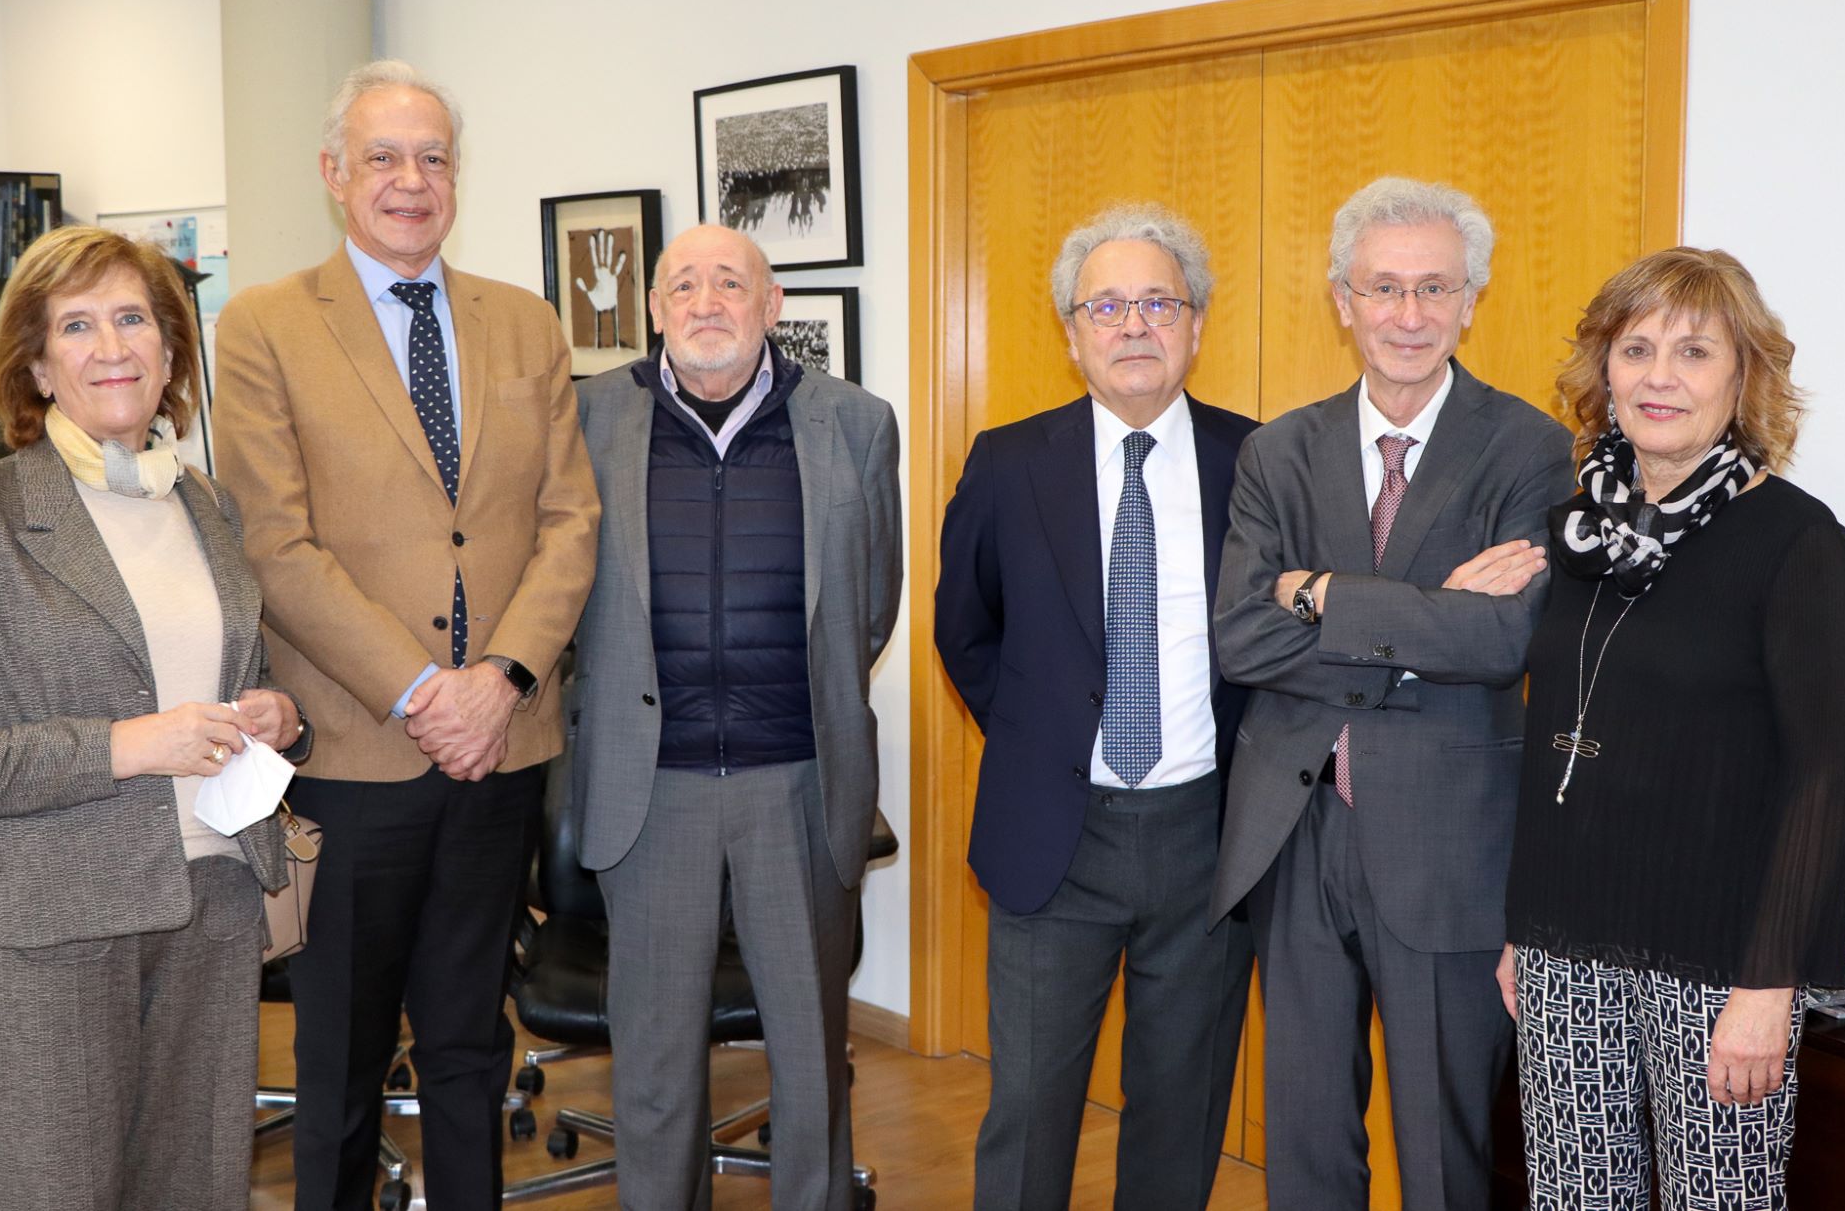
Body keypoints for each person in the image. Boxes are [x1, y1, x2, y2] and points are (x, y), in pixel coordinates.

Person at [214, 59, 600, 1211]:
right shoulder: (265, 327)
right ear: (335, 175)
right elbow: (275, 548)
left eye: (432, 156)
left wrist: (500, 680)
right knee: (337, 1066)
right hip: (353, 759)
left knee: (471, 1049)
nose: (410, 180)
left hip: (500, 751)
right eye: (383, 156)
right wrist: (424, 689)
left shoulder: (525, 324)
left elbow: (569, 519)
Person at [0, 226, 306, 1209]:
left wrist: (278, 711)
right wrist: (121, 747)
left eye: (132, 319)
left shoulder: (205, 505)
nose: (110, 346)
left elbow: (235, 668)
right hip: (50, 928)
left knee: (195, 1190)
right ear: (36, 363)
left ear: (169, 351)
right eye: (77, 325)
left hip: (214, 907)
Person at [1209, 177, 1573, 1209]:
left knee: (1443, 1149)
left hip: (1446, 842)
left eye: (1432, 289)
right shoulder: (1276, 450)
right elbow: (1239, 634)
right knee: (1307, 1141)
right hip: (1293, 828)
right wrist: (1422, 619)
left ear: (1470, 300)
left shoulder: (1527, 447)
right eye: (1382, 288)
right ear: (1341, 299)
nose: (1407, 316)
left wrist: (1319, 594)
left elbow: (1503, 637)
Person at [1500, 248, 1845, 1211]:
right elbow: (1554, 739)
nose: (1660, 375)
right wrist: (1524, 930)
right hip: (1564, 943)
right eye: (1638, 347)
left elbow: (1821, 777)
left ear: (1743, 379)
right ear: (1603, 370)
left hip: (1719, 963)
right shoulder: (1578, 530)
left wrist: (1769, 984)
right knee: (1573, 1194)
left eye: (1695, 351)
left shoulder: (1798, 541)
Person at [569, 222, 901, 1209]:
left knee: (808, 1054)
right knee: (656, 1067)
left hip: (795, 780)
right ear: (654, 309)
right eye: (682, 286)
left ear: (772, 304)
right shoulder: (590, 417)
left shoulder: (854, 422)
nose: (705, 303)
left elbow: (868, 599)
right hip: (650, 784)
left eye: (729, 283)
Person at [934, 204, 1259, 1209]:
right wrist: (1044, 744)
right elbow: (965, 631)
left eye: (1157, 302)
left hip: (1206, 836)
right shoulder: (1006, 461)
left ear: (1194, 325)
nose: (1133, 325)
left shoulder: (1255, 462)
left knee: (1179, 1107)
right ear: (1070, 331)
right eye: (1105, 304)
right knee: (1030, 1109)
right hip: (1053, 837)